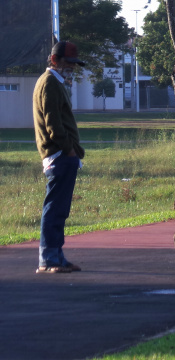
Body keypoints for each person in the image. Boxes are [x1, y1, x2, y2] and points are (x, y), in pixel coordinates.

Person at [32, 41, 86, 273]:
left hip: (62, 154)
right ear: (54, 60)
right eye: (67, 62)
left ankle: (56, 255)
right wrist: (69, 149)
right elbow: (53, 122)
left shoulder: (55, 82)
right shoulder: (50, 83)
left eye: (74, 63)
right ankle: (49, 258)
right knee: (54, 208)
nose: (71, 67)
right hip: (59, 154)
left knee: (60, 208)